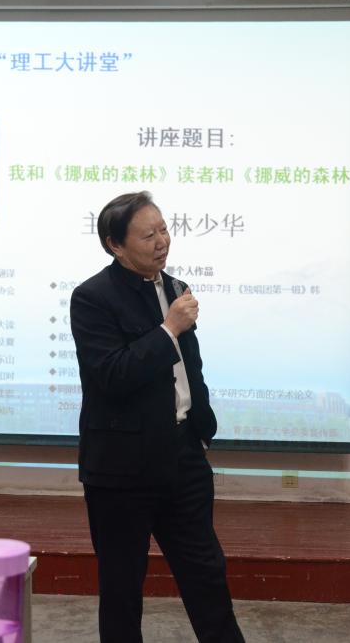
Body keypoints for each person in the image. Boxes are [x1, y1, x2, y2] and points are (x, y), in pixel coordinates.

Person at [70, 192, 245, 643]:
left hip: (182, 456)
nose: (162, 241)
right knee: (122, 588)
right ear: (115, 245)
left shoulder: (175, 286)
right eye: (148, 235)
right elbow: (111, 375)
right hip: (120, 469)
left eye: (164, 229)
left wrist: (201, 430)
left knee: (206, 575)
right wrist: (168, 329)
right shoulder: (91, 298)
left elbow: (191, 368)